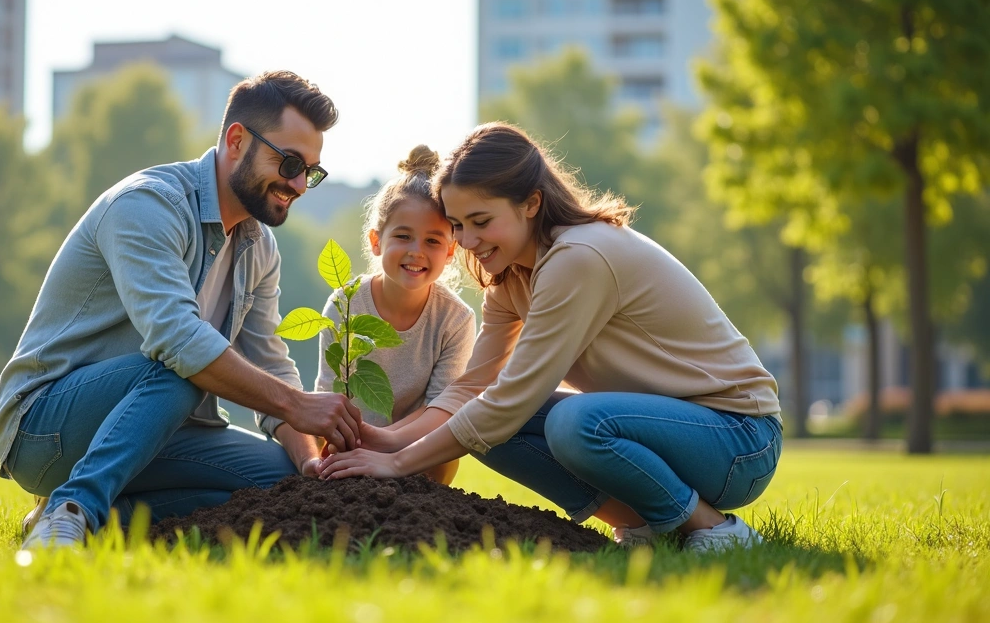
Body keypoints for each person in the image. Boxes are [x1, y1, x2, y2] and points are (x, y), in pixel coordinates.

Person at [320, 122, 783, 552]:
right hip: (662, 429)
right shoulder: (509, 274)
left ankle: (713, 530)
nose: (469, 242)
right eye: (459, 226)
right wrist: (386, 440)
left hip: (739, 438)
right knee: (491, 430)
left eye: (482, 221)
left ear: (531, 203)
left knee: (573, 423)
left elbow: (512, 399)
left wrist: (399, 465)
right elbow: (472, 389)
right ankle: (644, 528)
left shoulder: (578, 256)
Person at [0, 70, 363, 550]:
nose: (299, 184)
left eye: (309, 171)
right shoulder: (148, 204)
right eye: (289, 162)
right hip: (44, 429)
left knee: (283, 483)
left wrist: (309, 460)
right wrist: (297, 404)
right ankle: (72, 509)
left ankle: (100, 519)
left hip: (160, 431)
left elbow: (269, 363)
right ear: (236, 140)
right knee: (188, 360)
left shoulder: (260, 246)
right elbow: (180, 343)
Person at [314, 145, 476, 484]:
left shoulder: (455, 319)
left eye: (433, 241)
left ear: (450, 251)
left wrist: (383, 443)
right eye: (403, 236)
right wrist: (353, 440)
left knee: (448, 456)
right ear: (376, 240)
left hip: (416, 450)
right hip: (349, 442)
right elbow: (329, 395)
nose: (416, 252)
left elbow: (441, 409)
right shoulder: (346, 305)